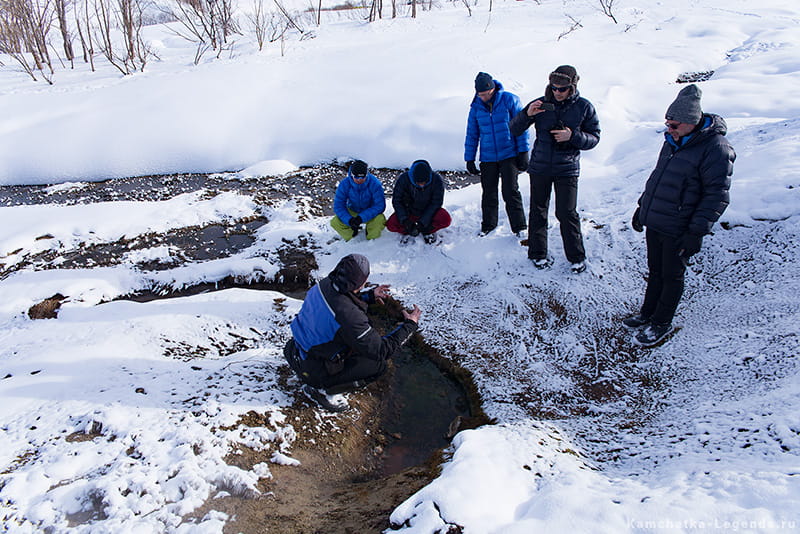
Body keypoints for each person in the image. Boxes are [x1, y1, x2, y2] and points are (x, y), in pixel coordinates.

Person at [626, 84, 734, 346]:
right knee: (655, 270)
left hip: (680, 226)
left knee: (672, 275)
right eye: (667, 124)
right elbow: (659, 179)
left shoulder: (715, 148)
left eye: (674, 125)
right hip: (658, 220)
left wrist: (696, 232)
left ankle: (661, 322)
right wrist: (643, 208)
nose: (669, 129)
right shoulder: (673, 141)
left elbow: (716, 195)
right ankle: (647, 313)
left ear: (691, 123)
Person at [283, 254, 422, 412]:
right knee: (378, 366)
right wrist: (410, 325)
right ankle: (321, 391)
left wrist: (369, 296)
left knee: (350, 344)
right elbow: (381, 350)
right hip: (312, 370)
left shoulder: (325, 284)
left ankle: (317, 377)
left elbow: (341, 300)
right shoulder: (349, 318)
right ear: (361, 282)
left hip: (294, 350)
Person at [510, 65, 600, 273]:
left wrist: (573, 137)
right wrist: (527, 113)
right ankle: (537, 253)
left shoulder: (584, 107)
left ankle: (577, 257)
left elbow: (594, 138)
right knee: (538, 211)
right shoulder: (541, 103)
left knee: (566, 213)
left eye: (563, 88)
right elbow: (514, 128)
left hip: (567, 168)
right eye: (554, 87)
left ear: (572, 86)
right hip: (540, 166)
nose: (558, 92)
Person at [464, 72, 530, 237]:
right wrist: (469, 158)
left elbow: (521, 127)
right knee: (488, 193)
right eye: (481, 95)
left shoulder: (510, 100)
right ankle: (488, 225)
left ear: (493, 89)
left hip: (509, 153)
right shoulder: (476, 107)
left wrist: (523, 151)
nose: (484, 97)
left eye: (487, 94)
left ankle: (519, 226)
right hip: (488, 156)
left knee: (510, 191)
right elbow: (472, 134)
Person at [386, 159, 452, 244]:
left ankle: (427, 230)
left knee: (445, 219)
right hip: (409, 212)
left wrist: (423, 223)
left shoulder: (436, 179)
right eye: (419, 183)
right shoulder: (403, 179)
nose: (422, 185)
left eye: (424, 182)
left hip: (428, 213)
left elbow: (436, 203)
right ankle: (410, 230)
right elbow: (397, 201)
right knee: (391, 225)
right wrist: (405, 221)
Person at [330, 160, 386, 241]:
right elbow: (339, 206)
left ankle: (372, 240)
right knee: (335, 222)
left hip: (369, 211)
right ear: (351, 175)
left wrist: (361, 218)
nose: (359, 180)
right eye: (356, 177)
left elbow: (380, 206)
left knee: (379, 219)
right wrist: (349, 220)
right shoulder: (344, 184)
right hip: (352, 210)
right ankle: (353, 238)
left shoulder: (375, 184)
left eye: (362, 177)